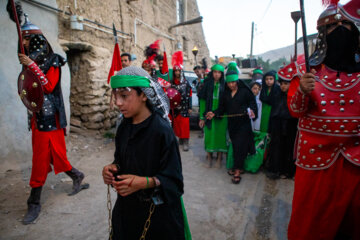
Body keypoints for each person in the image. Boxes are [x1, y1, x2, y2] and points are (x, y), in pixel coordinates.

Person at [285, 1, 360, 239]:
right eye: (332, 26)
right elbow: (296, 111)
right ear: (322, 33)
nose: (339, 30)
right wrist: (302, 92)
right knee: (311, 224)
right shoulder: (305, 69)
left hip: (355, 162)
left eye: (346, 25)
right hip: (315, 159)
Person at [15, 14, 89, 224]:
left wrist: (31, 65)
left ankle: (34, 202)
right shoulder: (29, 60)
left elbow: (48, 86)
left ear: (36, 39)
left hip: (51, 118)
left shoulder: (53, 60)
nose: (25, 43)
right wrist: (17, 20)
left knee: (43, 158)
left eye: (27, 39)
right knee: (51, 155)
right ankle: (76, 175)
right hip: (37, 117)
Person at [102, 66, 187, 240]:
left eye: (124, 96)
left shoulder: (162, 131)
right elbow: (121, 160)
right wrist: (113, 168)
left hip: (157, 216)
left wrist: (144, 182)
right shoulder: (124, 127)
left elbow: (174, 181)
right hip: (127, 212)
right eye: (116, 96)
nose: (118, 102)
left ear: (143, 95)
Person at [209, 63, 257, 183]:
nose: (231, 85)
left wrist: (252, 111)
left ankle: (237, 170)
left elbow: (252, 103)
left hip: (244, 124)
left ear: (237, 81)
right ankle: (239, 167)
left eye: (233, 82)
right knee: (235, 146)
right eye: (229, 83)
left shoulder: (245, 92)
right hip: (232, 125)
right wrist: (214, 113)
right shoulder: (225, 94)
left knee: (240, 147)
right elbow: (221, 108)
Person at [265, 76, 298, 179]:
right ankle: (276, 170)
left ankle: (287, 171)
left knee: (289, 148)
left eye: (286, 84)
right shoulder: (277, 95)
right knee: (277, 148)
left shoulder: (294, 97)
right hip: (277, 126)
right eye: (281, 84)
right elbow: (274, 113)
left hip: (290, 126)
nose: (283, 86)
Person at [198, 64, 228, 168]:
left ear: (222, 74)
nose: (217, 74)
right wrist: (202, 117)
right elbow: (202, 101)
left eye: (219, 72)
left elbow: (227, 102)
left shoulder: (225, 85)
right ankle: (209, 157)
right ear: (212, 73)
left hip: (221, 115)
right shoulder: (207, 84)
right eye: (215, 72)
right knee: (209, 136)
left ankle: (219, 158)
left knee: (220, 136)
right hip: (208, 114)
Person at [169, 51, 192, 151]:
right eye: (175, 71)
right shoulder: (172, 84)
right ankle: (180, 139)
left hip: (184, 107)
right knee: (177, 125)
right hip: (175, 107)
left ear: (181, 72)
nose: (177, 73)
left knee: (185, 125)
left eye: (179, 71)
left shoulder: (186, 83)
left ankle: (185, 141)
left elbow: (190, 94)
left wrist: (190, 107)